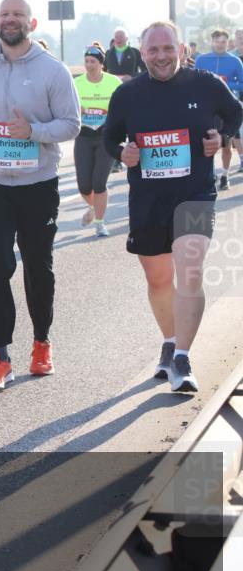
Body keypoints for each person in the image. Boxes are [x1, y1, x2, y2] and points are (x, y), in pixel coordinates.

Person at [103, 21, 242, 392]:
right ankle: (168, 342)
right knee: (159, 280)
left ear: (181, 49)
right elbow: (109, 137)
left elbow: (235, 112)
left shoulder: (206, 84)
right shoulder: (127, 94)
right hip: (148, 199)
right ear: (142, 52)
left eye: (168, 49)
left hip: (195, 193)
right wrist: (123, 153)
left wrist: (221, 137)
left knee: (191, 268)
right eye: (153, 50)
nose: (161, 56)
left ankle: (182, 356)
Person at [0, 0, 81, 391]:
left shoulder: (53, 71)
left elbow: (72, 124)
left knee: (37, 266)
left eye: (17, 15)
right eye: (4, 14)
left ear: (32, 22)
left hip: (38, 184)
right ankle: (0, 356)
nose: (10, 20)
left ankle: (42, 342)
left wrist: (35, 132)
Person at [73, 43, 122, 237]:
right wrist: (79, 111)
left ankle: (100, 223)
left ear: (101, 63)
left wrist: (114, 117)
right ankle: (95, 208)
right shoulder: (77, 84)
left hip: (105, 138)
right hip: (84, 137)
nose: (89, 65)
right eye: (86, 61)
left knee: (99, 182)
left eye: (93, 61)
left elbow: (122, 108)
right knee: (84, 185)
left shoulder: (113, 82)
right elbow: (67, 107)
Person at [193, 29, 243, 189]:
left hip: (227, 108)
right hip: (206, 108)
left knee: (227, 145)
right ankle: (209, 175)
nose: (220, 45)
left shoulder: (235, 61)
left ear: (228, 43)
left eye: (223, 42)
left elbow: (242, 84)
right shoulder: (201, 59)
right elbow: (194, 82)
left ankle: (224, 175)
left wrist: (226, 83)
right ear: (212, 42)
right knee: (206, 144)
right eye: (217, 42)